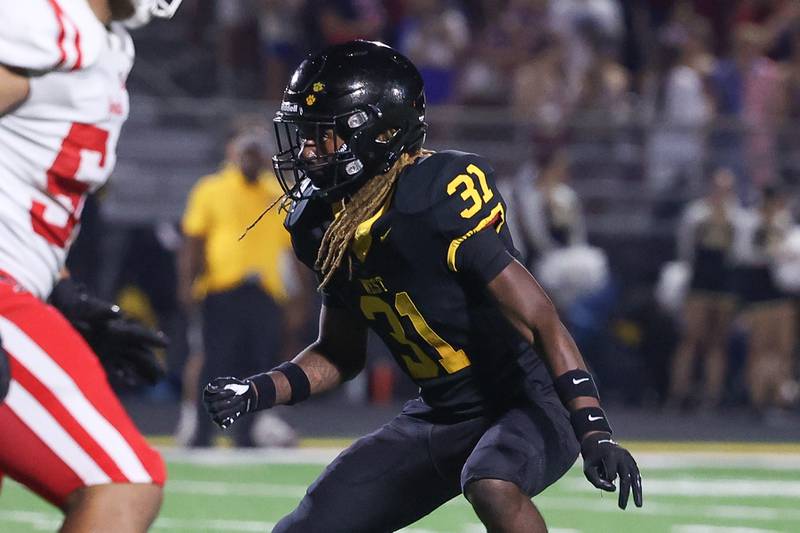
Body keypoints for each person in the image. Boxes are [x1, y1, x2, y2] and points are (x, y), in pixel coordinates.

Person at [203, 40, 642, 533]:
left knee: (492, 480)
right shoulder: (323, 224)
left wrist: (593, 428)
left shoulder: (437, 197)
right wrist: (257, 390)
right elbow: (339, 354)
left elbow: (540, 319)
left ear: (375, 134)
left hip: (528, 399)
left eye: (322, 135)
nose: (304, 150)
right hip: (443, 411)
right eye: (304, 133)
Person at [0, 0, 181, 531]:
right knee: (123, 484)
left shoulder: (103, 40)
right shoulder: (47, 20)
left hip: (24, 280)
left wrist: (63, 290)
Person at [178, 130, 303, 447]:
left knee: (258, 364)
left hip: (264, 292)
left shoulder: (277, 194)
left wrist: (298, 298)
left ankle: (247, 433)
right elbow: (194, 240)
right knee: (215, 362)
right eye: (247, 153)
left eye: (257, 154)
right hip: (222, 289)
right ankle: (202, 432)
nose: (252, 159)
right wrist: (186, 283)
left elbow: (293, 250)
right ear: (233, 154)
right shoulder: (212, 188)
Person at [667, 168, 741, 411]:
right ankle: (679, 393)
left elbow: (739, 250)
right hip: (700, 279)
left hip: (724, 281)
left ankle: (711, 395)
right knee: (690, 338)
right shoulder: (696, 213)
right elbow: (685, 246)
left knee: (717, 342)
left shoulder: (737, 215)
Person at [733, 184, 797, 415]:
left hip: (781, 293)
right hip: (759, 294)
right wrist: (770, 252)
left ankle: (779, 400)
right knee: (760, 349)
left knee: (782, 350)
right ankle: (758, 400)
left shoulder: (783, 222)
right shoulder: (749, 223)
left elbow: (790, 251)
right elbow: (742, 254)